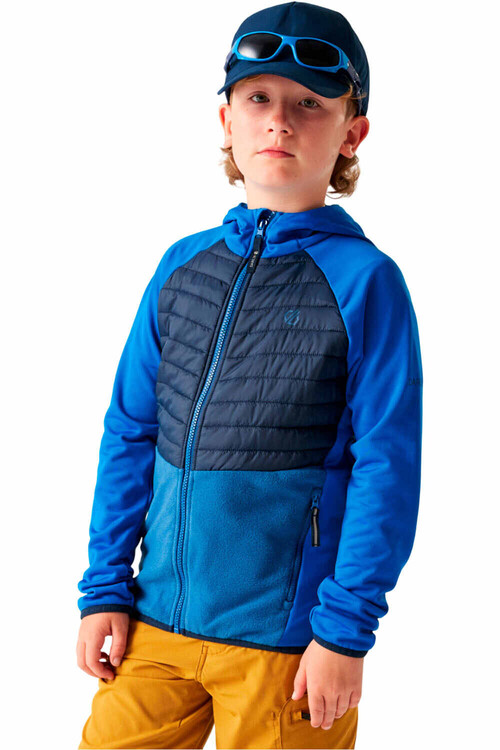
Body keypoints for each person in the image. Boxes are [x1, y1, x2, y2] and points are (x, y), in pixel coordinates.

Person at [76, 3, 423, 748]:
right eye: (259, 97)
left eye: (310, 104)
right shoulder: (183, 265)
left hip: (288, 646)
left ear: (352, 133)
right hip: (154, 624)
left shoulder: (366, 281)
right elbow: (130, 431)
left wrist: (343, 632)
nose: (280, 122)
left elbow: (387, 464)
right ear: (226, 119)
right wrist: (104, 586)